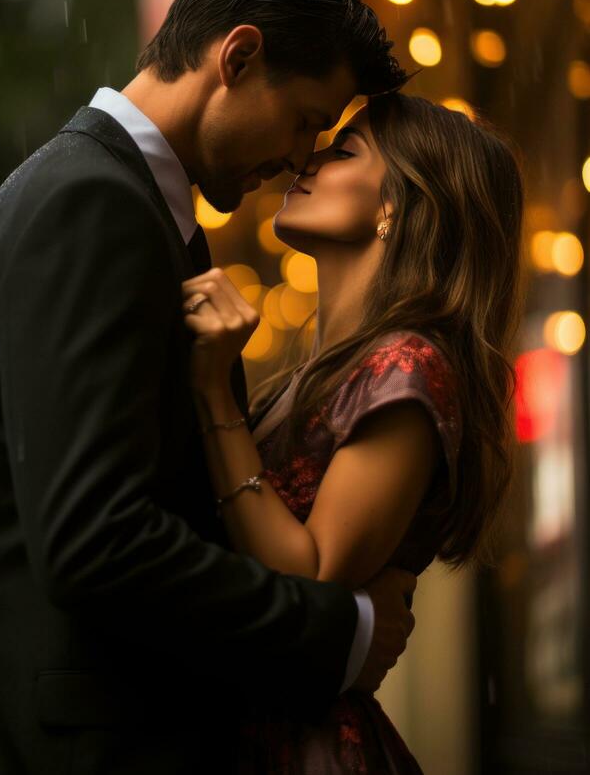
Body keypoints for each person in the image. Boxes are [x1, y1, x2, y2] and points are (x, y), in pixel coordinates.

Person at [0, 0, 418, 775]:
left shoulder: (121, 202)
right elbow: (95, 539)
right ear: (236, 58)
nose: (300, 159)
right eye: (306, 121)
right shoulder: (93, 202)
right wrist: (337, 635)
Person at [181, 93, 524, 773]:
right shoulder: (317, 375)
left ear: (396, 206)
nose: (308, 159)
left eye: (343, 151)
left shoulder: (408, 367)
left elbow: (312, 578)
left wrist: (213, 389)